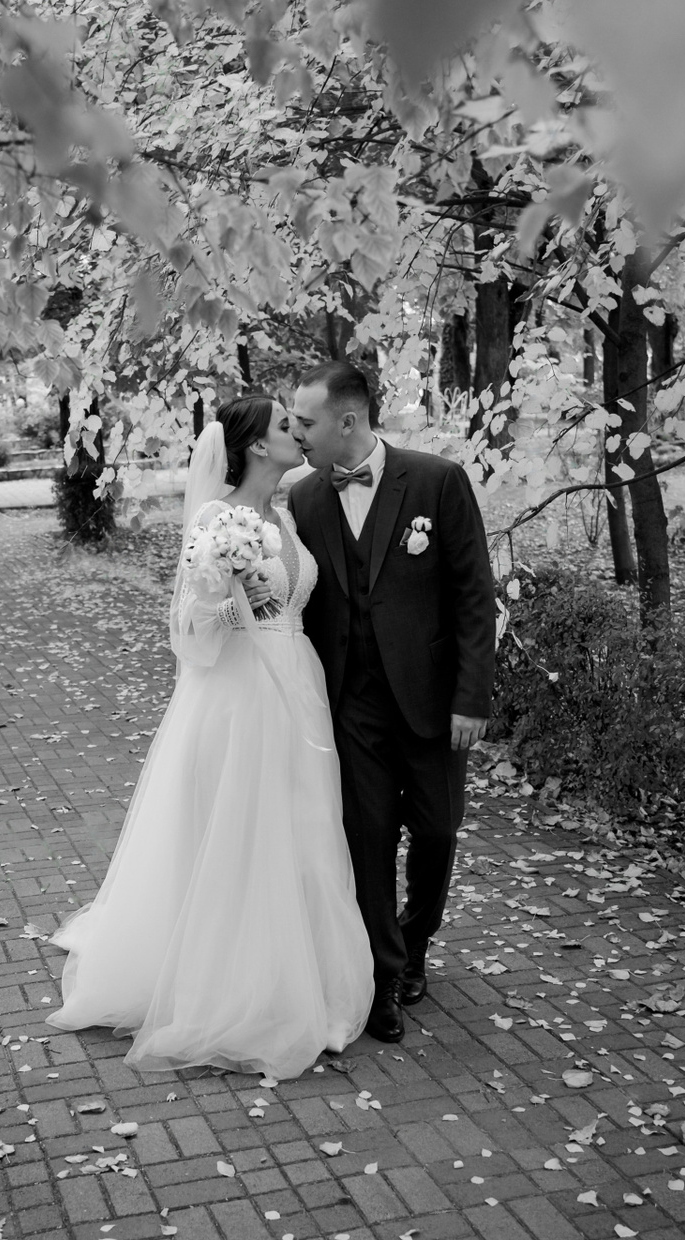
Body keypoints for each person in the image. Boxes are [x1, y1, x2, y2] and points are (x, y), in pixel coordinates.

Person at [46, 395, 373, 1079]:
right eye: (286, 426)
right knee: (242, 830)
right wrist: (234, 602)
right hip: (239, 694)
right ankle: (236, 988)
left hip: (298, 683)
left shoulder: (286, 515)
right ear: (255, 446)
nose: (298, 433)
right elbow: (188, 631)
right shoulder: (213, 521)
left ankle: (305, 975)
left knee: (305, 825)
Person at [287, 361, 496, 1045]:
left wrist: (471, 698)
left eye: (306, 421)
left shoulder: (437, 480)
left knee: (437, 832)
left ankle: (415, 937)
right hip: (351, 704)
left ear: (347, 420)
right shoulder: (305, 499)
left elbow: (473, 596)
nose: (296, 432)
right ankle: (382, 977)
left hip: (433, 702)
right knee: (367, 840)